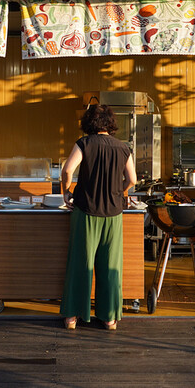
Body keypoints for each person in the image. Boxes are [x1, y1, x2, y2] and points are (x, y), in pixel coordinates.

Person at [60, 104, 137, 331]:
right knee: (110, 266)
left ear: (88, 123)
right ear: (110, 123)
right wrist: (119, 191)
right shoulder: (123, 148)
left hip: (85, 211)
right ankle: (110, 317)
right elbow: (132, 179)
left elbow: (67, 170)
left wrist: (66, 191)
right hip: (113, 214)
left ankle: (73, 316)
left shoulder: (84, 143)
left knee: (80, 264)